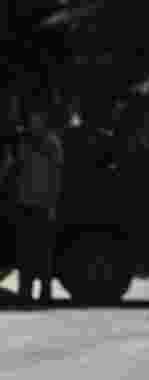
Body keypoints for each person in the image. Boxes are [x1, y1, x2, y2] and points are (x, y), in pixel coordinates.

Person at [6, 102, 63, 306]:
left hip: (43, 205)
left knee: (43, 253)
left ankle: (45, 292)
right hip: (25, 203)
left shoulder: (51, 143)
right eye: (31, 119)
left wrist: (52, 203)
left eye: (37, 118)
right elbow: (15, 170)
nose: (33, 122)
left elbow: (56, 176)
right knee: (25, 252)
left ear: (44, 121)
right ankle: (25, 292)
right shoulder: (23, 143)